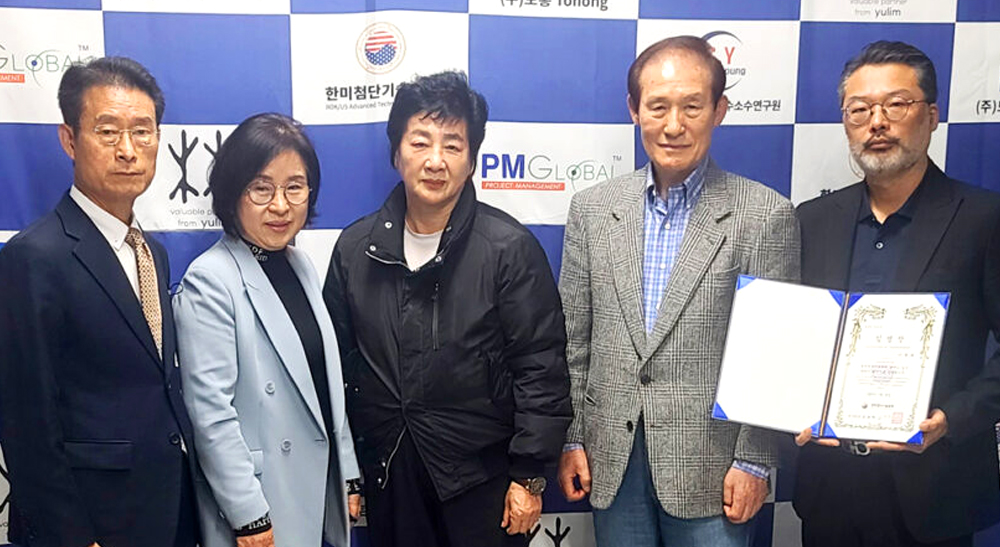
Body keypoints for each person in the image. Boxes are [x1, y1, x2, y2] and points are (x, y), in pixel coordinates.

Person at [556, 36, 800, 547]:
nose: (673, 125)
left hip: (714, 469)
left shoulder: (764, 216)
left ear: (719, 110)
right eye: (658, 107)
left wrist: (754, 461)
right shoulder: (592, 210)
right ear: (634, 110)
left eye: (691, 106)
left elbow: (774, 357)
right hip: (611, 459)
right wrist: (572, 436)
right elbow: (573, 340)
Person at [323, 70, 572, 547]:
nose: (435, 160)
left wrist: (528, 475)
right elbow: (338, 365)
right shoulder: (356, 249)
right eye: (420, 143)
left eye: (453, 146)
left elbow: (541, 366)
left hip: (484, 480)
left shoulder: (508, 248)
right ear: (396, 153)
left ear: (472, 159)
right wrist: (348, 467)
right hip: (390, 473)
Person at [793, 40, 1000, 547]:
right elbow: (793, 339)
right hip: (830, 490)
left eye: (896, 104)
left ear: (931, 115)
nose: (877, 122)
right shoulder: (812, 221)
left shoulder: (984, 219)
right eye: (860, 109)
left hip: (935, 490)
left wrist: (952, 420)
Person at [0, 57, 198, 547]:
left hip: (167, 509)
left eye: (142, 132)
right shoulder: (33, 257)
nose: (128, 150)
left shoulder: (153, 253)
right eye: (108, 132)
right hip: (90, 522)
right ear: (69, 140)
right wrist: (71, 536)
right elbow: (25, 422)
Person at [172, 113, 361, 547]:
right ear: (232, 192)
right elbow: (211, 414)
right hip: (260, 500)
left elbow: (325, 384)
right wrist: (248, 515)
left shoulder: (300, 264)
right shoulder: (210, 279)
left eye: (295, 187)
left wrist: (347, 471)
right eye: (262, 188)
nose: (280, 205)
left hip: (315, 483)